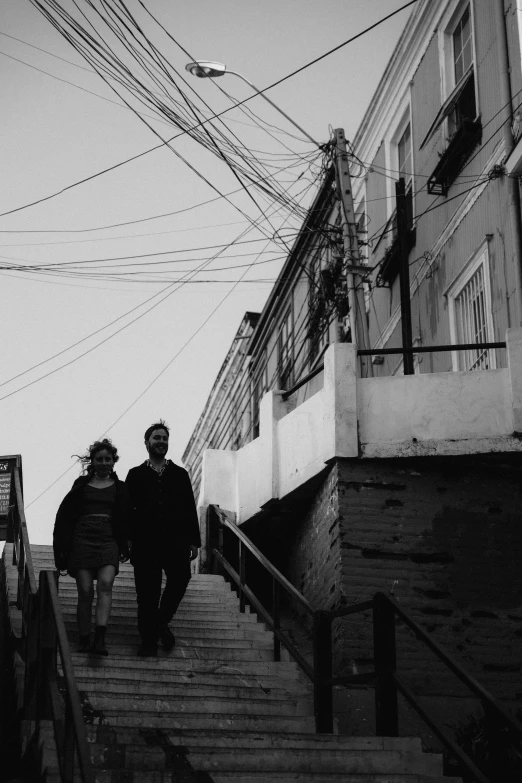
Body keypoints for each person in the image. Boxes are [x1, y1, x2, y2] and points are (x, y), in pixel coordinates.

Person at [125, 420, 200, 657]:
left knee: (181, 577)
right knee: (147, 592)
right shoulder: (135, 474)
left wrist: (194, 540)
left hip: (175, 540)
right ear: (147, 442)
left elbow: (189, 506)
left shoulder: (179, 474)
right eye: (156, 438)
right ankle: (148, 641)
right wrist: (126, 539)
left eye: (164, 438)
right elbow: (127, 509)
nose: (161, 442)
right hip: (144, 542)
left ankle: (160, 621)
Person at [53, 438, 130, 656]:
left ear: (114, 461)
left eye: (108, 459)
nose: (104, 462)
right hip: (82, 538)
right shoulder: (81, 485)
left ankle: (100, 639)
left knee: (105, 584)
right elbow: (66, 514)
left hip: (108, 538)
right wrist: (63, 546)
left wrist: (125, 543)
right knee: (85, 591)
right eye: (99, 459)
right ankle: (84, 638)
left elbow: (126, 517)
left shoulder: (121, 488)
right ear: (92, 461)